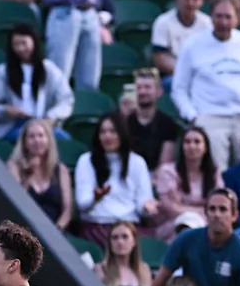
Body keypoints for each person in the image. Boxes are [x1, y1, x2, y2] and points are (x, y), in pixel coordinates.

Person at [172, 0, 240, 168]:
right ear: (211, 17)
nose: (223, 22)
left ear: (237, 19)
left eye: (228, 17)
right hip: (209, 117)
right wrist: (193, 116)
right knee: (217, 172)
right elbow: (179, 88)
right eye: (218, 16)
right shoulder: (193, 44)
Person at [74, 112, 157, 247]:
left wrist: (147, 207)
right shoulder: (86, 161)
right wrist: (96, 198)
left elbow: (142, 203)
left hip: (129, 225)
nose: (107, 136)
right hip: (98, 225)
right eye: (103, 132)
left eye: (113, 131)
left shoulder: (137, 162)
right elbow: (82, 204)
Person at [0, 23, 74, 142]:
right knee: (29, 138)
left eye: (24, 43)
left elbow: (66, 100)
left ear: (33, 42)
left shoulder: (49, 69)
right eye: (16, 44)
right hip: (15, 124)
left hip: (42, 123)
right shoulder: (2, 71)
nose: (20, 48)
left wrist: (51, 116)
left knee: (64, 139)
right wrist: (6, 110)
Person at [151, 126, 221, 242]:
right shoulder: (167, 171)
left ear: (205, 148)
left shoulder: (214, 173)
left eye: (197, 142)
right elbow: (171, 209)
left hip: (206, 225)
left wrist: (185, 205)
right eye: (187, 142)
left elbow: (217, 204)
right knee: (187, 225)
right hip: (174, 225)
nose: (192, 146)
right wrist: (203, 211)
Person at [7, 117, 72, 230]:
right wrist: (28, 176)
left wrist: (57, 230)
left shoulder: (61, 170)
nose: (37, 140)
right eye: (32, 136)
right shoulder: (14, 167)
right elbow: (15, 204)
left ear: (48, 140)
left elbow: (67, 211)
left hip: (56, 232)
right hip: (23, 232)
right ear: (25, 142)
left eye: (41, 135)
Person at [151, 0, 211, 88]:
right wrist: (186, 73)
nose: (190, 3)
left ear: (202, 1)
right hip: (173, 74)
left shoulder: (208, 24)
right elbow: (160, 58)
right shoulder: (163, 22)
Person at [94, 221, 153, 286]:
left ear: (134, 241)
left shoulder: (144, 270)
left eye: (125, 237)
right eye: (115, 238)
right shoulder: (101, 269)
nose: (120, 242)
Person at [127, 69, 180, 171]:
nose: (142, 92)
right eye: (139, 88)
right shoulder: (125, 120)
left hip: (155, 175)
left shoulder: (167, 123)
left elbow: (165, 163)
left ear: (159, 91)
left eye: (147, 87)